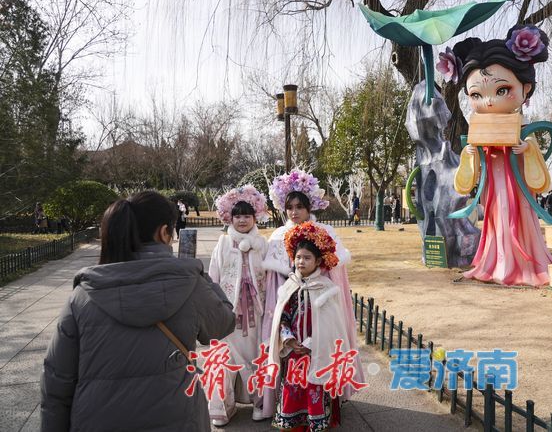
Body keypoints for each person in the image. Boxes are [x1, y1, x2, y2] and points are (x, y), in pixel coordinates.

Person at [40, 191, 236, 432]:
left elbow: (56, 382)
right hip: (176, 417)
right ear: (164, 232)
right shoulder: (190, 284)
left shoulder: (82, 296)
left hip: (97, 419)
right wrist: (197, 273)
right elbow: (224, 323)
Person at [450, 24, 552, 286]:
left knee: (519, 217)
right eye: (476, 94)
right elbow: (469, 177)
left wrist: (527, 150)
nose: (488, 102)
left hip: (517, 185)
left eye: (501, 90)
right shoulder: (480, 129)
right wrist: (471, 154)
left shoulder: (522, 129)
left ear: (526, 88)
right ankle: (495, 260)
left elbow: (540, 176)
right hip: (495, 186)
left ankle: (524, 261)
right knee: (496, 218)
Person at [261, 169, 365, 418]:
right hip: (290, 303)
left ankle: (323, 406)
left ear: (309, 208)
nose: (294, 212)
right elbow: (275, 280)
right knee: (291, 358)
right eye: (290, 207)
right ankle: (288, 407)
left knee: (321, 350)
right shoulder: (277, 236)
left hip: (318, 302)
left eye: (300, 206)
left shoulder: (323, 231)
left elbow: (334, 272)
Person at [269, 222, 362, 431]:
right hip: (293, 352)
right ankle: (294, 424)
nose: (301, 262)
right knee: (293, 388)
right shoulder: (289, 286)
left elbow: (332, 326)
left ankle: (316, 423)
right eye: (298, 257)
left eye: (307, 258)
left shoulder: (327, 288)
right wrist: (289, 339)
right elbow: (282, 318)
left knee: (316, 387)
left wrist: (311, 343)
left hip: (317, 352)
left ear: (318, 261)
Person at [208, 186, 270, 426]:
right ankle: (224, 406)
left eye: (247, 215)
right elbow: (213, 278)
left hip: (257, 311)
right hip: (228, 313)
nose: (242, 220)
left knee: (257, 354)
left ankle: (259, 402)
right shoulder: (223, 243)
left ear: (255, 217)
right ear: (229, 218)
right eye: (237, 216)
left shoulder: (262, 244)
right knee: (225, 358)